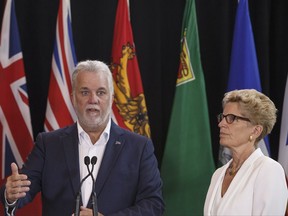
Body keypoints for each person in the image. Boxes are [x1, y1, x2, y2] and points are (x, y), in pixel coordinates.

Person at [0, 60, 165, 216]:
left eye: (101, 92)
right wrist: (11, 194)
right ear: (73, 98)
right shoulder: (48, 144)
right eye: (85, 92)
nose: (93, 100)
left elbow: (153, 204)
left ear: (111, 99)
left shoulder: (139, 147)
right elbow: (21, 191)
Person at [204, 89, 288, 215]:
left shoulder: (269, 170)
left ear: (255, 131)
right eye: (222, 117)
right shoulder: (218, 174)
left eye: (231, 118)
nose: (221, 124)